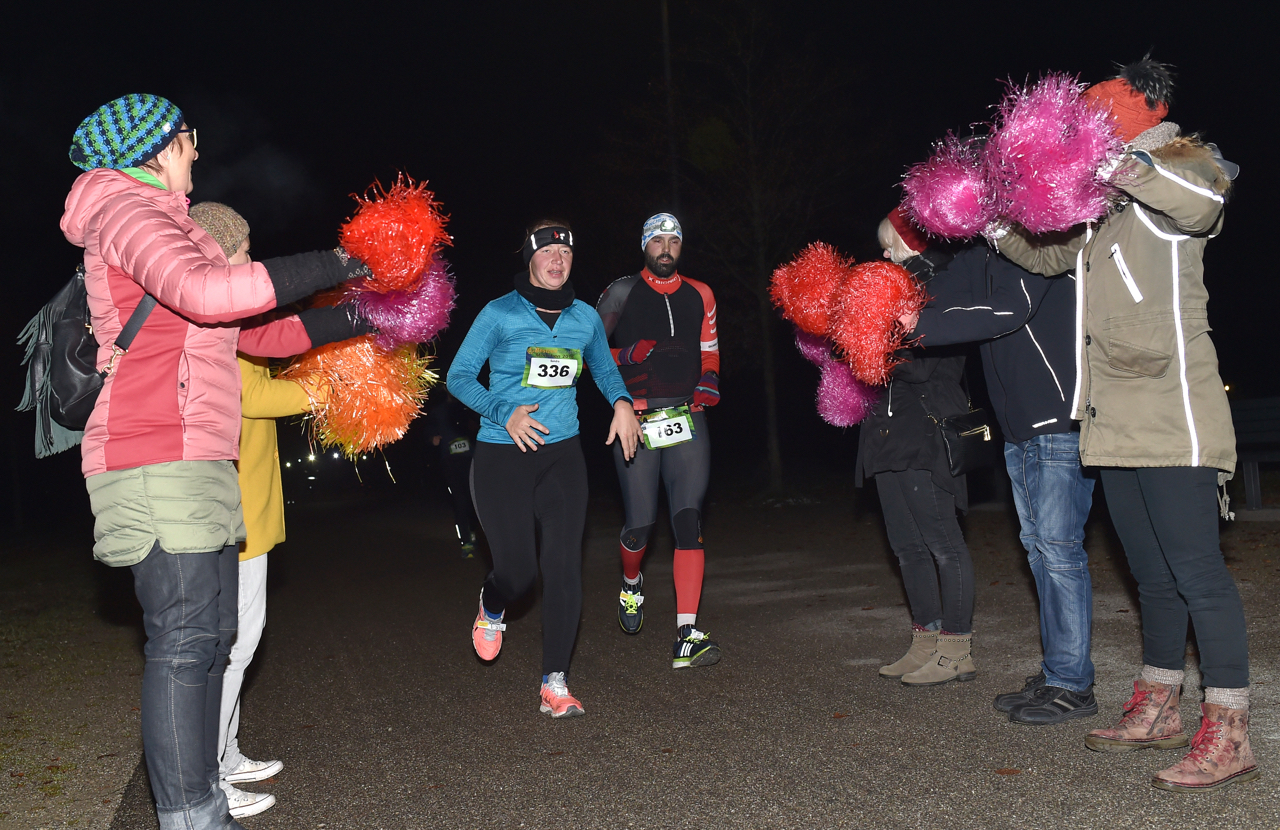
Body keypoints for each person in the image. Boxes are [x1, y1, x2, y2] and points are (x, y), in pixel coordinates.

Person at [61, 94, 368, 829]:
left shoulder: (166, 225)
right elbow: (206, 293)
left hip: (189, 451)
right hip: (153, 449)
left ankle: (200, 800)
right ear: (162, 146)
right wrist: (334, 261)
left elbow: (252, 334)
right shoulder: (129, 213)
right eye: (190, 140)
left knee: (209, 637)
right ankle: (189, 812)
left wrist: (360, 315)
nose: (197, 153)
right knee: (186, 640)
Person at [996, 59, 1256, 791]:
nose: (1089, 118)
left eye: (1103, 106)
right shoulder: (1107, 201)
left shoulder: (1184, 164)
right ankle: (1158, 704)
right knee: (1150, 575)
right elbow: (1050, 254)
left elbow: (1199, 206)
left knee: (1198, 573)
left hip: (1173, 408)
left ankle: (1230, 729)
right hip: (1112, 417)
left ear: (1146, 103)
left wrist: (1110, 160)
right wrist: (990, 219)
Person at [447, 221, 640, 718]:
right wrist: (503, 411)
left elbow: (602, 368)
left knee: (562, 569)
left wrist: (620, 401)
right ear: (530, 258)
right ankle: (492, 605)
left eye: (565, 252)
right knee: (518, 573)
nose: (558, 259)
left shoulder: (584, 319)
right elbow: (459, 376)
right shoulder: (499, 314)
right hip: (502, 454)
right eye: (548, 251)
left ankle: (555, 682)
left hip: (563, 456)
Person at [901, 239, 1098, 724]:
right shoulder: (984, 254)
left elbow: (1006, 310)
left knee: (1058, 552)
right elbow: (947, 286)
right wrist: (892, 286)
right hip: (1018, 427)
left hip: (1059, 422)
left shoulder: (1040, 241)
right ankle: (1059, 671)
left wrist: (914, 325)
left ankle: (1073, 683)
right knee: (1038, 550)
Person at [190, 202, 335, 818]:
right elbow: (251, 395)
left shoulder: (231, 311)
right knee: (232, 643)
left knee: (242, 639)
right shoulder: (212, 312)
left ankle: (227, 755)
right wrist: (321, 392)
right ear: (218, 252)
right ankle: (209, 776)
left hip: (252, 498)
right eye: (244, 250)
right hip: (233, 504)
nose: (251, 262)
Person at [595, 213, 722, 668]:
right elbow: (587, 349)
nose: (665, 248)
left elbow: (709, 348)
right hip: (637, 420)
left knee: (688, 520)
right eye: (657, 241)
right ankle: (632, 584)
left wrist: (710, 379)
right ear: (644, 245)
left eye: (673, 241)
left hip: (688, 415)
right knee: (641, 525)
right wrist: (626, 355)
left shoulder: (700, 293)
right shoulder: (622, 291)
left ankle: (687, 634)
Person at [860, 209, 976, 686]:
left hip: (925, 429)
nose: (885, 254)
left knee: (943, 544)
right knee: (907, 548)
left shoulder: (941, 285)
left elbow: (924, 367)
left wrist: (868, 345)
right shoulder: (887, 289)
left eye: (891, 245)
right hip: (885, 431)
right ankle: (924, 639)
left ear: (910, 242)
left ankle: (957, 648)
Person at [424, 389, 480, 557]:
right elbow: (428, 430)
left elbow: (480, 427)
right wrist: (432, 438)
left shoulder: (468, 409)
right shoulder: (438, 411)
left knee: (475, 501)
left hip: (472, 462)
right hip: (451, 463)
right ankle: (466, 543)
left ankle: (476, 534)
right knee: (460, 501)